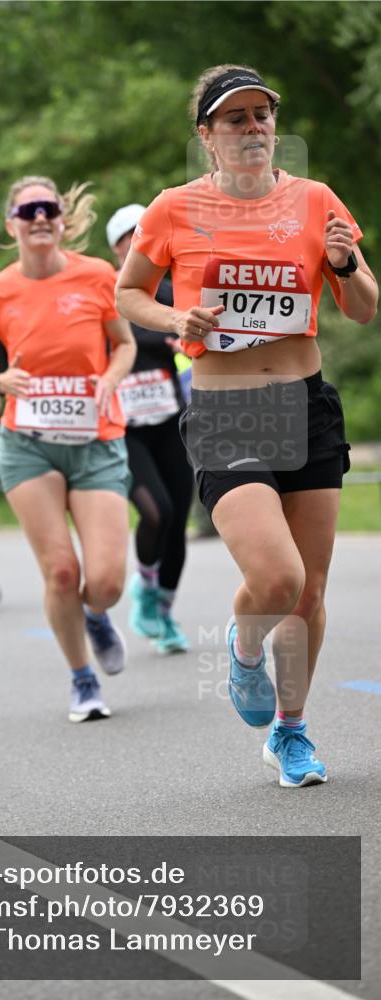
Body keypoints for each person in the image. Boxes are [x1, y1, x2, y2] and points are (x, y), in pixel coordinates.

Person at [116, 64, 377, 786]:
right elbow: (128, 292)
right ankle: (240, 648)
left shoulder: (313, 200)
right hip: (228, 409)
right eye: (234, 118)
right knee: (275, 575)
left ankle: (290, 733)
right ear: (206, 135)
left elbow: (361, 306)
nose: (253, 127)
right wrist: (176, 318)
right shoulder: (172, 209)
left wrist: (343, 263)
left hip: (305, 403)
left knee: (309, 591)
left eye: (261, 114)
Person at [0, 175, 136, 722]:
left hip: (95, 441)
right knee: (61, 572)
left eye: (49, 208)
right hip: (28, 445)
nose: (40, 217)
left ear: (62, 219)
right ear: (12, 223)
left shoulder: (98, 275)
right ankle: (83, 680)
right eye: (28, 209)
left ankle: (97, 614)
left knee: (103, 580)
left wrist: (108, 378)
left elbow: (125, 345)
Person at [107, 204, 194, 653]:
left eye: (144, 235)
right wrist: (162, 338)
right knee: (155, 511)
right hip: (126, 429)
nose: (137, 245)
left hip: (173, 422)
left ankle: (164, 611)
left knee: (177, 520)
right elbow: (131, 336)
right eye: (128, 239)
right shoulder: (107, 293)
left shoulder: (171, 290)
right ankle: (144, 586)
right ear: (117, 248)